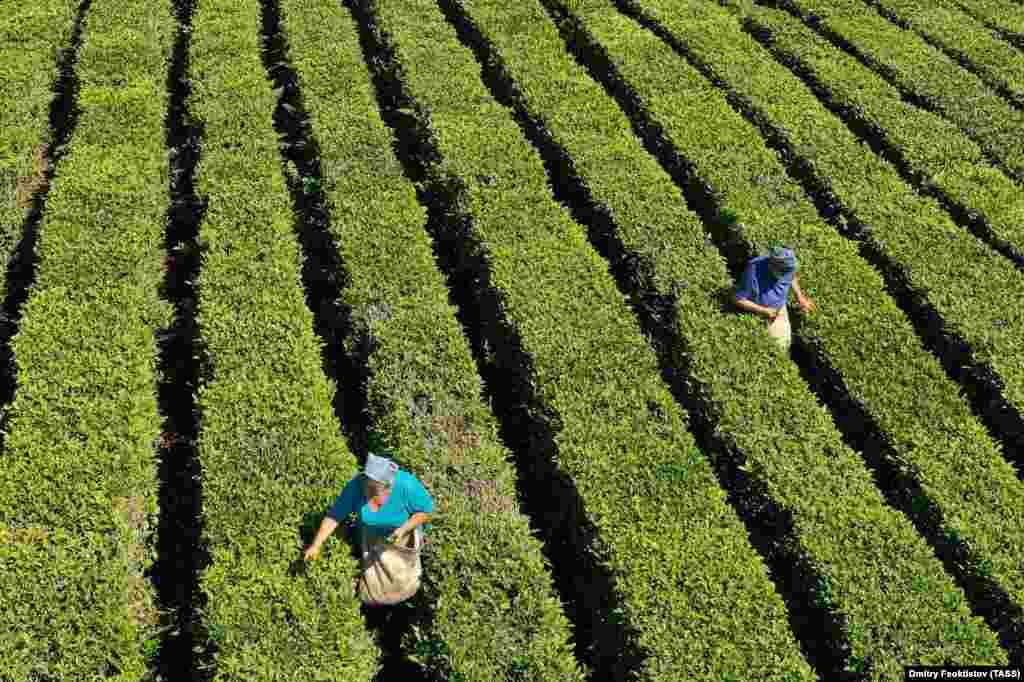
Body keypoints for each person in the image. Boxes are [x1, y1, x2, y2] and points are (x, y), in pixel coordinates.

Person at [303, 452, 433, 604]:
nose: (366, 488)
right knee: (373, 584)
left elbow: (426, 512)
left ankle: (405, 596)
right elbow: (334, 516)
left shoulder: (406, 484)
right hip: (370, 537)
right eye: (365, 481)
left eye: (372, 487)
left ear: (387, 486)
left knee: (402, 578)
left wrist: (403, 529)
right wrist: (316, 544)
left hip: (401, 537)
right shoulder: (356, 486)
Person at [733, 246, 815, 351]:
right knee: (775, 349)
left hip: (780, 308)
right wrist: (764, 311)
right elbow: (737, 299)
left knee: (785, 345)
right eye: (783, 273)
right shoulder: (754, 270)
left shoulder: (788, 266)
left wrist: (800, 298)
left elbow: (792, 277)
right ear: (772, 266)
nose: (786, 276)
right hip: (763, 313)